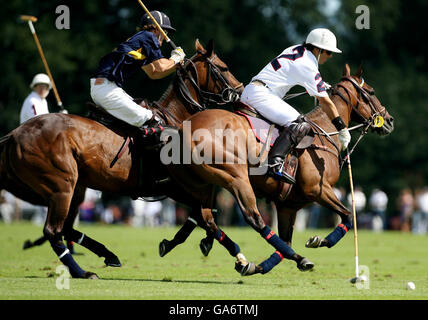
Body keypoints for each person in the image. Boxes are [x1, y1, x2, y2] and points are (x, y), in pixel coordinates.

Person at [240, 28, 350, 183]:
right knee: (301, 123)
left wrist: (321, 85)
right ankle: (274, 162)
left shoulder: (295, 49)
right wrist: (342, 128)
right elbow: (325, 102)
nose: (330, 56)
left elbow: (300, 75)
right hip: (261, 96)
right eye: (328, 52)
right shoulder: (308, 65)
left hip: (254, 90)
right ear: (318, 49)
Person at [90, 11, 186, 137]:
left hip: (105, 88)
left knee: (145, 114)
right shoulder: (148, 37)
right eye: (165, 32)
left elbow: (154, 74)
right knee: (154, 120)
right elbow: (161, 66)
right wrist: (175, 58)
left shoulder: (140, 43)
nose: (165, 36)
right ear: (157, 29)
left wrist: (176, 66)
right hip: (107, 90)